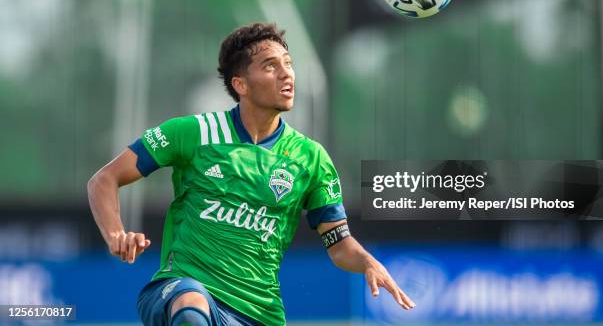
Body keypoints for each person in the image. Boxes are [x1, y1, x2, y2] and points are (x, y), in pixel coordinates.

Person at [87, 22, 415, 326]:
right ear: (240, 84)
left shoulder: (310, 158)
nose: (286, 75)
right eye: (271, 66)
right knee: (191, 309)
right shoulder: (193, 132)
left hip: (259, 313)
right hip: (181, 288)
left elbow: (339, 244)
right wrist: (116, 234)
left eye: (288, 63)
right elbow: (104, 180)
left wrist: (368, 263)